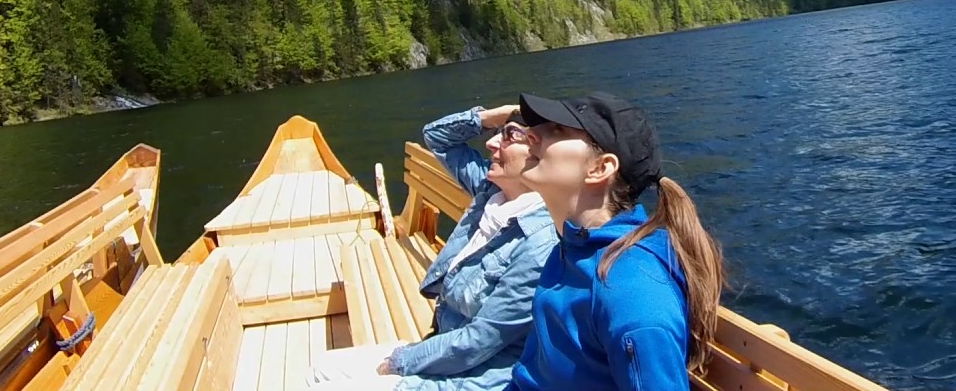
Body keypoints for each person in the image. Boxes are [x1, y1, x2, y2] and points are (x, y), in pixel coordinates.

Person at [307, 104, 558, 391]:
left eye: (509, 135)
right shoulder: (491, 192)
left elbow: (480, 340)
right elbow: (437, 137)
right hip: (443, 344)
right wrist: (497, 115)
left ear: (541, 155)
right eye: (498, 133)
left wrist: (401, 361)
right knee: (319, 370)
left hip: (474, 377)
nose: (491, 142)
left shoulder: (539, 242)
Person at [508, 91, 725, 391]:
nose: (530, 135)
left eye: (557, 129)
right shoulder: (573, 249)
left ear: (600, 168)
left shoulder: (630, 289)